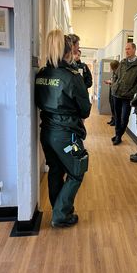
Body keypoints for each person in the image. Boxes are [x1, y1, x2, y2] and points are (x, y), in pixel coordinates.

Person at [35, 30, 91, 228]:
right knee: (77, 171)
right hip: (67, 136)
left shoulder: (41, 74)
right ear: (69, 51)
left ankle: (58, 208)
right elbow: (85, 110)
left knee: (55, 170)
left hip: (47, 133)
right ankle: (60, 214)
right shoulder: (72, 76)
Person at [111, 43, 137, 145]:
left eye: (128, 49)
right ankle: (118, 134)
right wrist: (114, 85)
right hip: (117, 93)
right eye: (125, 49)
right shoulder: (123, 62)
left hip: (127, 96)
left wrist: (132, 91)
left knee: (124, 117)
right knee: (117, 115)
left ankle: (119, 135)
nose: (126, 51)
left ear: (134, 49)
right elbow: (116, 75)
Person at [104, 60, 120, 126]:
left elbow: (117, 83)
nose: (110, 67)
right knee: (111, 106)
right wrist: (109, 81)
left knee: (114, 107)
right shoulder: (114, 72)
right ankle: (113, 119)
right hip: (112, 91)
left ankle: (115, 121)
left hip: (115, 93)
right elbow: (113, 80)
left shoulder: (119, 73)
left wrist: (110, 82)